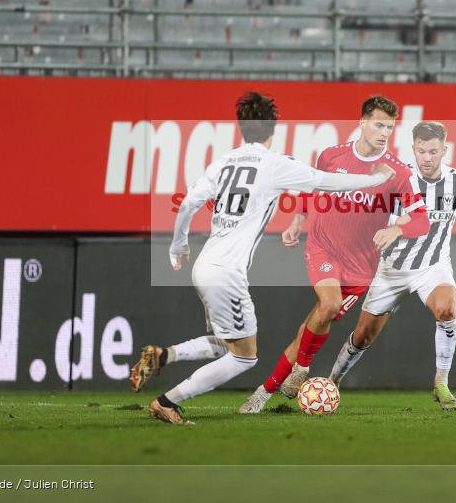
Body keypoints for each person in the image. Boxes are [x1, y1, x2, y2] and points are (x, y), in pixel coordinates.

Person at [131, 91, 396, 424]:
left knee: (223, 344)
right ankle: (168, 401)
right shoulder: (275, 165)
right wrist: (375, 178)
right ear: (273, 128)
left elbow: (188, 205)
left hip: (203, 266)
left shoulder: (224, 162)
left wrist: (177, 245)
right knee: (244, 358)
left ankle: (163, 355)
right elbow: (324, 182)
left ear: (242, 128)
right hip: (228, 273)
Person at [240, 95, 431, 413]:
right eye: (378, 124)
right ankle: (301, 371)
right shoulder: (331, 156)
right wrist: (298, 219)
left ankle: (263, 392)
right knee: (327, 305)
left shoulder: (398, 172)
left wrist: (397, 229)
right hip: (323, 246)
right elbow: (309, 186)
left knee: (309, 327)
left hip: (360, 268)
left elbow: (422, 220)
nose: (384, 132)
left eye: (390, 126)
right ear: (362, 123)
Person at [329, 121, 456, 410]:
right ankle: (333, 382)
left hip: (433, 267)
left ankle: (441, 382)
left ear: (445, 150)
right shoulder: (398, 178)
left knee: (447, 310)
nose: (427, 158)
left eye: (433, 151)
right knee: (363, 335)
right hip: (392, 270)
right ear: (413, 149)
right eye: (421, 151)